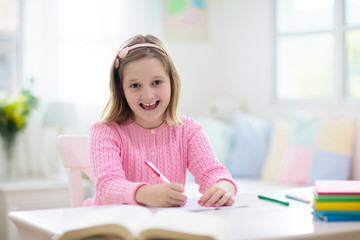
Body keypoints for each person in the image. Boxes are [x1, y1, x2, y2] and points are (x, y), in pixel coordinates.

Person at [85, 34, 237, 208]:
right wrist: (144, 194)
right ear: (122, 90)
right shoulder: (105, 131)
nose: (148, 95)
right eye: (135, 86)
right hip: (114, 228)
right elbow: (107, 186)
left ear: (172, 82)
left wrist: (223, 186)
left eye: (157, 82)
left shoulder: (188, 130)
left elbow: (212, 172)